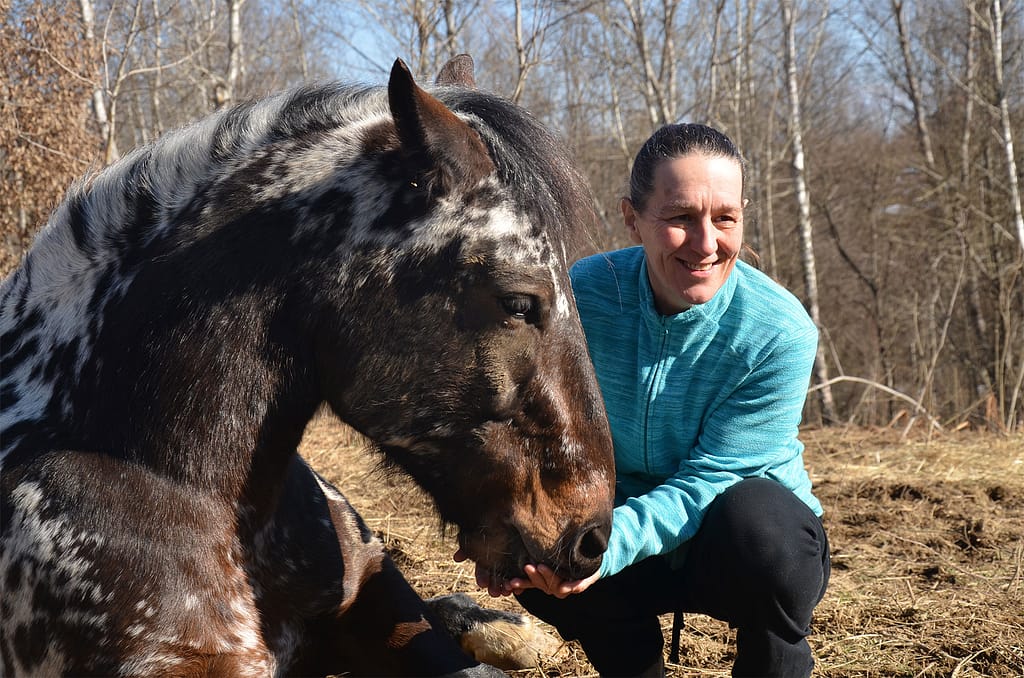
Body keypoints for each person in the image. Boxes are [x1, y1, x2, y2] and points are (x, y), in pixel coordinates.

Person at [457, 123, 831, 677]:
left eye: (725, 218)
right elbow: (525, 424)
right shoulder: (584, 294)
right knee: (535, 546)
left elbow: (714, 479)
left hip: (733, 548)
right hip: (623, 534)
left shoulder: (778, 331)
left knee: (764, 532)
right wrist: (496, 521)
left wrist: (608, 546)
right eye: (681, 217)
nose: (707, 243)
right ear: (632, 218)